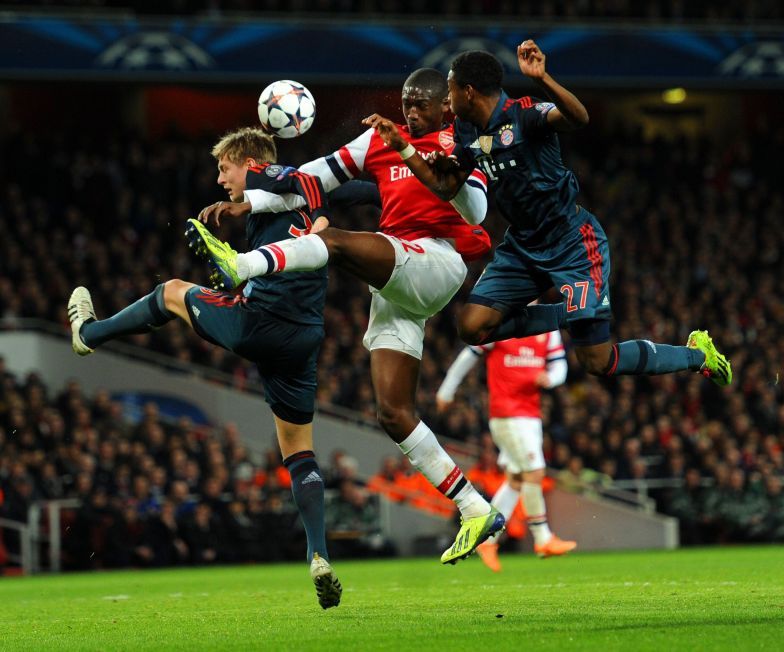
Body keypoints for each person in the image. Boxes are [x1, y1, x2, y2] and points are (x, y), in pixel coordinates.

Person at [190, 68, 506, 565]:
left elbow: (477, 213)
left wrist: (437, 162)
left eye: (420, 104)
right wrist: (249, 202)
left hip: (440, 260)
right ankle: (473, 508)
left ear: (444, 106)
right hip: (400, 270)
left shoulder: (463, 141)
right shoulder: (379, 141)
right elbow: (311, 180)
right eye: (405, 103)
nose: (410, 112)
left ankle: (242, 267)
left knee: (332, 241)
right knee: (393, 412)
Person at [66, 127, 344, 609]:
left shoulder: (268, 173)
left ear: (247, 160)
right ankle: (318, 555)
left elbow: (293, 177)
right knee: (299, 452)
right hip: (303, 337)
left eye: (224, 168)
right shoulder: (281, 202)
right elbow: (328, 185)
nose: (221, 180)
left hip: (258, 323)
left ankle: (88, 335)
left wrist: (310, 205)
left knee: (172, 290)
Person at [364, 41, 733, 388]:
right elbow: (446, 187)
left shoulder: (524, 113)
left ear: (469, 91)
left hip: (571, 241)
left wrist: (543, 79)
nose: (447, 98)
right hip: (523, 246)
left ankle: (697, 356)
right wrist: (402, 148)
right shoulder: (465, 128)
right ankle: (566, 313)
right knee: (471, 327)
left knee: (596, 361)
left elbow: (578, 117)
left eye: (451, 89)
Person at [436, 329, 576, 572]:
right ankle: (543, 538)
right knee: (535, 472)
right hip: (507, 414)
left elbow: (559, 365)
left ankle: (487, 541)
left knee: (516, 480)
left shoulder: (548, 329)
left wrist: (551, 379)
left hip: (531, 415)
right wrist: (446, 391)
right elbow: (468, 355)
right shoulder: (501, 327)